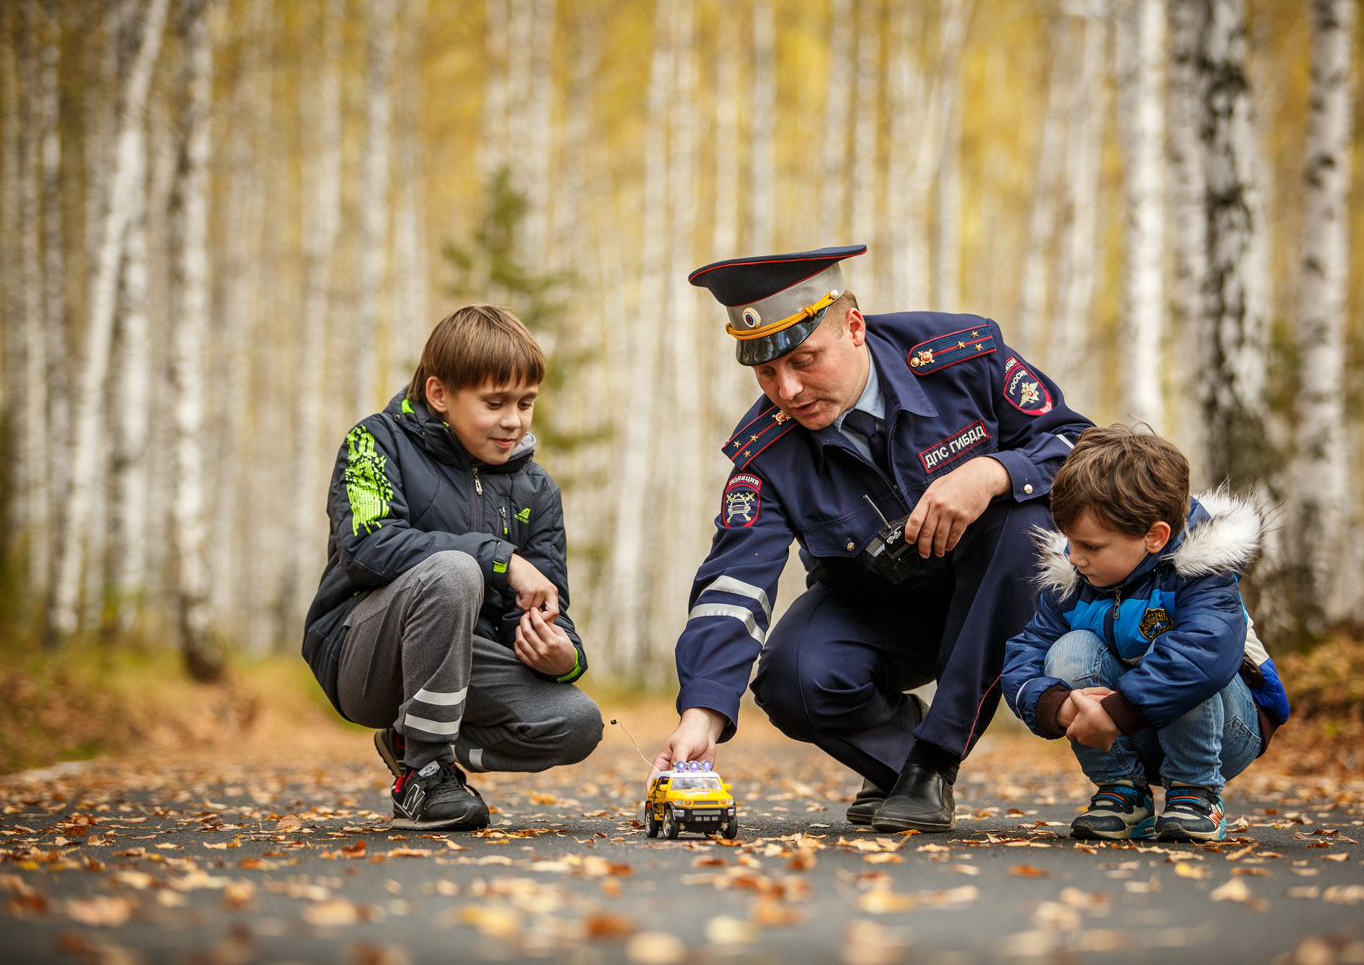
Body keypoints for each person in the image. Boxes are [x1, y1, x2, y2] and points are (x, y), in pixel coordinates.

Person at [654, 245, 1092, 832]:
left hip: (1000, 599)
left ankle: (934, 760)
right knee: (792, 676)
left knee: (1023, 527)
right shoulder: (766, 454)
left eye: (805, 360)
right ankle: (906, 758)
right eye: (765, 372)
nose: (787, 390)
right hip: (887, 613)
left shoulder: (962, 359)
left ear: (854, 327)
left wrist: (993, 473)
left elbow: (1079, 446)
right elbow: (735, 583)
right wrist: (702, 714)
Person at [302, 305, 602, 831]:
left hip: (461, 664)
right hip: (363, 655)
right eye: (495, 403)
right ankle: (424, 773)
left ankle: (410, 737)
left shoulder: (536, 491)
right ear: (440, 394)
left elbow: (544, 607)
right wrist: (500, 559)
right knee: (454, 571)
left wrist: (564, 657)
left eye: (525, 403)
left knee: (577, 723)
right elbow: (369, 547)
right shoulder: (376, 442)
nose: (513, 420)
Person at [1000, 425, 1290, 842]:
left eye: (1092, 546)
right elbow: (1026, 651)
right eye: (1070, 541)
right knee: (1070, 647)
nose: (1075, 557)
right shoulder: (1075, 578)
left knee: (1178, 649)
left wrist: (1118, 711)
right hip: (1129, 730)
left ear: (1154, 537)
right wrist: (1056, 704)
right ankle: (1123, 792)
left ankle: (1195, 793)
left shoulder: (1202, 571)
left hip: (1227, 729)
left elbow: (1204, 653)